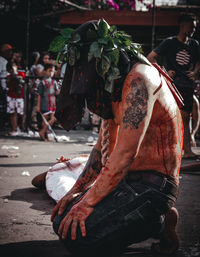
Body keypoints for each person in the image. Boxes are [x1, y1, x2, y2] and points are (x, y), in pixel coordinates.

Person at [32, 20, 183, 256]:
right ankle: (149, 221)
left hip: (153, 184)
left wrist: (88, 203)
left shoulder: (139, 80)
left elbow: (124, 154)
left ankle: (158, 221)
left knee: (80, 240)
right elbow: (100, 149)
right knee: (63, 221)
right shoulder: (113, 83)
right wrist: (77, 190)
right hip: (125, 181)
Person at [147, 13, 200, 159]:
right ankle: (165, 151)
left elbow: (198, 62)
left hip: (187, 85)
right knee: (169, 117)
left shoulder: (194, 45)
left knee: (187, 116)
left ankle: (187, 150)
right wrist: (164, 73)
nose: (193, 29)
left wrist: (195, 72)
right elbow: (150, 58)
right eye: (191, 26)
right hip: (171, 85)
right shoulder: (169, 42)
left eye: (195, 27)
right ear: (182, 25)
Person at [36, 63, 59, 141]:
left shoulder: (54, 82)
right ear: (45, 71)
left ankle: (42, 132)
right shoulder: (42, 82)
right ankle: (44, 134)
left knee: (53, 118)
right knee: (44, 120)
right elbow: (39, 95)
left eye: (52, 71)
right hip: (45, 103)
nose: (51, 73)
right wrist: (38, 106)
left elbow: (56, 92)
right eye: (49, 71)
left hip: (53, 103)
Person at [6, 61, 25, 135]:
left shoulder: (21, 74)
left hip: (19, 97)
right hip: (11, 96)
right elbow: (8, 84)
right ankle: (14, 129)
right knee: (12, 113)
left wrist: (16, 75)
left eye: (14, 66)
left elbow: (22, 81)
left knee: (21, 113)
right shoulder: (8, 76)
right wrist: (12, 76)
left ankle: (23, 128)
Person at [0, 44, 13, 130]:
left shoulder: (5, 61)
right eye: (9, 51)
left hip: (6, 87)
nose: (11, 53)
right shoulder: (1, 61)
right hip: (2, 87)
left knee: (4, 107)